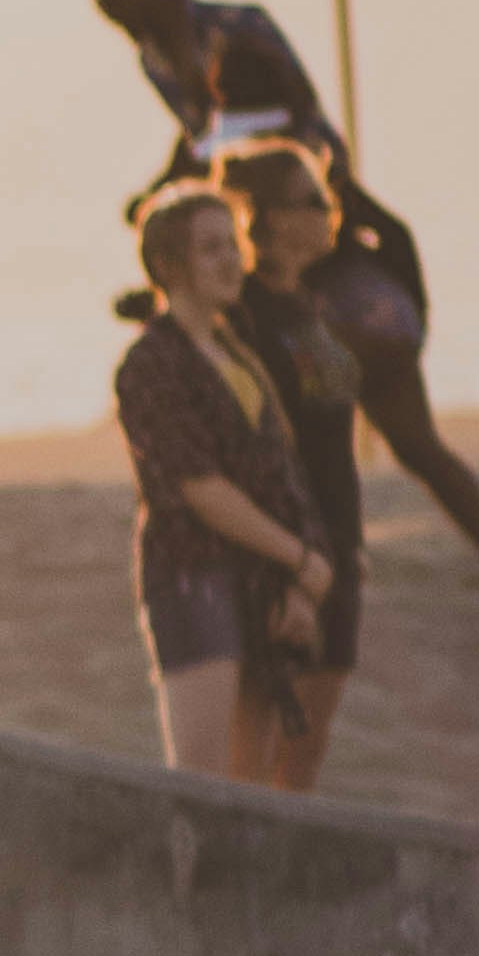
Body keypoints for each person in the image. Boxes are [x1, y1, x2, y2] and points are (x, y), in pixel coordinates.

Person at [88, 0, 479, 590]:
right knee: (323, 431)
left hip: (288, 189)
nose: (116, 21)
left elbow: (285, 110)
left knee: (379, 436)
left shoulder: (237, 27)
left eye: (117, 3)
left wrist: (295, 190)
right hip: (244, 198)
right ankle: (416, 553)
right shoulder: (155, 60)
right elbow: (201, 137)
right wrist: (165, 190)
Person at [112, 184, 331, 781]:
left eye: (232, 245)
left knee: (251, 788)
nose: (231, 261)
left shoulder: (237, 356)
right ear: (167, 266)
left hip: (261, 580)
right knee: (203, 786)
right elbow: (199, 488)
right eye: (210, 249)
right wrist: (300, 556)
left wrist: (302, 581)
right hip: (193, 577)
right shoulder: (150, 364)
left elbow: (282, 476)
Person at [216, 141, 366, 790]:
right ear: (269, 218)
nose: (329, 210)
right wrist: (290, 561)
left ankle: (280, 875)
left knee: (307, 748)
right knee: (259, 747)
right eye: (313, 200)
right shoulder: (242, 315)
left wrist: (346, 547)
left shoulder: (309, 303)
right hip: (281, 551)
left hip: (339, 544)